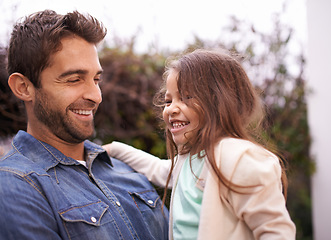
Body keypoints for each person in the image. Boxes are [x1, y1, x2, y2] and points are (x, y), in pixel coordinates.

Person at [0, 10, 168, 240]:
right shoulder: (8, 188)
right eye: (74, 79)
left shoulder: (124, 169)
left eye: (96, 79)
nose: (95, 96)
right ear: (23, 87)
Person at [104, 49, 296, 239]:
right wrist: (115, 149)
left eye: (186, 98)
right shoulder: (189, 159)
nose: (171, 109)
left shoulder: (238, 157)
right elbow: (158, 168)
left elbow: (275, 231)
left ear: (221, 101)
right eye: (168, 100)